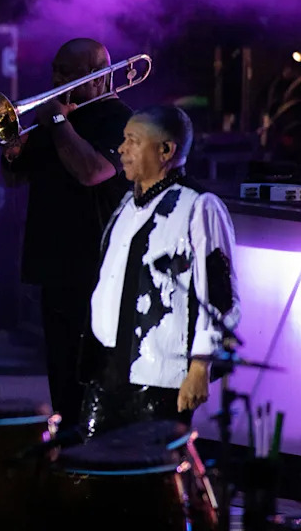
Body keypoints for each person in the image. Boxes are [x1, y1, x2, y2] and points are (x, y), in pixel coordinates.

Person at [79, 104, 241, 437]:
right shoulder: (127, 204)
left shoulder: (198, 205)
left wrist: (200, 365)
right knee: (92, 476)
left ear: (165, 150)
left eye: (132, 141)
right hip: (108, 370)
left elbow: (220, 295)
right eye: (123, 139)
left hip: (158, 377)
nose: (121, 149)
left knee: (149, 480)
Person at [0, 38, 134, 431]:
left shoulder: (119, 120)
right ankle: (68, 453)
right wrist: (11, 148)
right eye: (55, 70)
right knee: (60, 368)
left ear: (97, 77)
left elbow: (92, 172)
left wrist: (57, 121)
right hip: (53, 262)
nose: (56, 80)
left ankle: (96, 456)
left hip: (95, 264)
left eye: (66, 73)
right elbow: (15, 178)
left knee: (92, 371)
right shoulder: (57, 119)